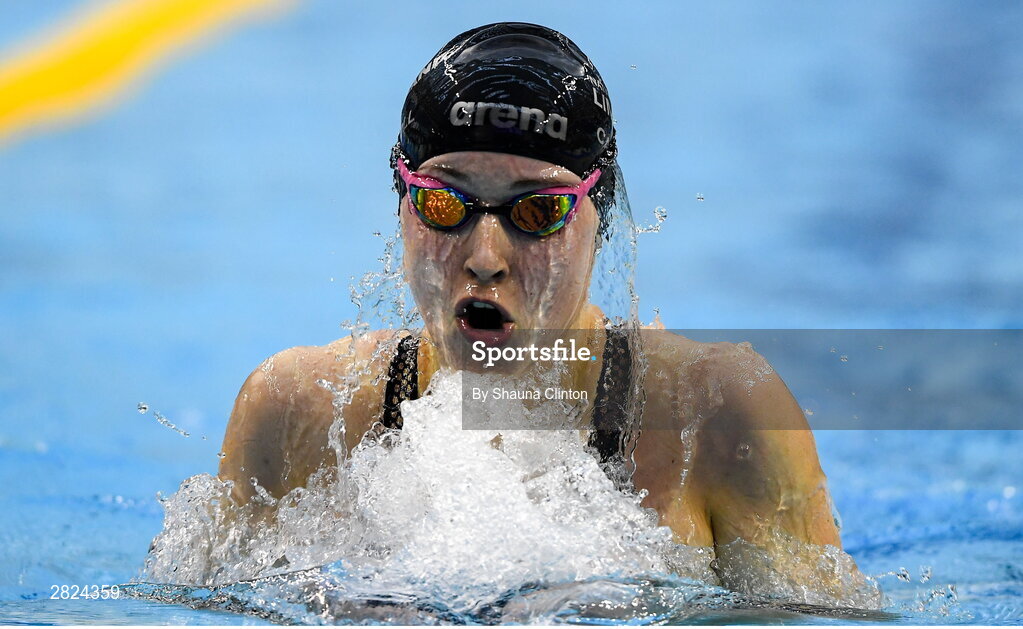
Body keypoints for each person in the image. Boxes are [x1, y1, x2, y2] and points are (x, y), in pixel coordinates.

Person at [219, 22, 854, 594]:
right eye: (445, 203)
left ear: (597, 221)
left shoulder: (715, 420)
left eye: (538, 211)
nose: (485, 256)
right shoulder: (295, 415)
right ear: (401, 203)